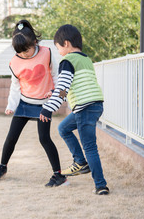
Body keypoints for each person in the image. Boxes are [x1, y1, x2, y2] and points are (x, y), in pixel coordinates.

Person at [0, 20, 67, 187]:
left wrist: (56, 96)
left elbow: (56, 76)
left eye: (26, 50)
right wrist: (11, 105)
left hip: (44, 104)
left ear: (34, 42)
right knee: (11, 137)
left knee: (44, 138)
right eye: (20, 52)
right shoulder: (14, 62)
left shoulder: (47, 53)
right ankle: (2, 167)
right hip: (24, 103)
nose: (23, 54)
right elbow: (15, 86)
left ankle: (58, 175)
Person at [39, 24, 109, 195]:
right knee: (63, 128)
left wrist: (48, 108)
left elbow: (63, 88)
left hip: (84, 107)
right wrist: (55, 91)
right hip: (95, 104)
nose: (59, 52)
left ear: (66, 44)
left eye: (58, 48)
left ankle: (101, 185)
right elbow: (72, 84)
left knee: (90, 146)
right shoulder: (85, 59)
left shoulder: (67, 61)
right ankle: (80, 162)